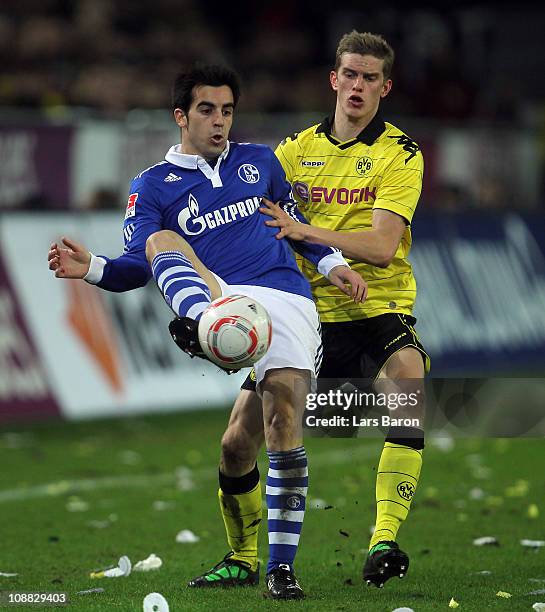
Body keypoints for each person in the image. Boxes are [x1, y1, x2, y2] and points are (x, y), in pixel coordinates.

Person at [47, 64, 366, 600]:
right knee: (164, 239)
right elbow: (139, 262)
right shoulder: (151, 186)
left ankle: (279, 569)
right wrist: (93, 269)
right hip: (219, 295)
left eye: (227, 111)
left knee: (250, 439)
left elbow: (293, 227)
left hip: (284, 301)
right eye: (206, 110)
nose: (219, 122)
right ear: (181, 115)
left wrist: (334, 265)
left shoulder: (260, 162)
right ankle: (202, 326)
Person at [213, 31, 430, 590]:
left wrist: (303, 228)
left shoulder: (400, 155)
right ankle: (241, 556)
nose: (358, 86)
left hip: (375, 306)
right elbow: (251, 218)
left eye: (370, 78)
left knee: (409, 378)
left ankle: (384, 538)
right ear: (334, 80)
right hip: (304, 314)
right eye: (350, 75)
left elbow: (382, 247)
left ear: (386, 87)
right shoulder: (293, 151)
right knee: (237, 440)